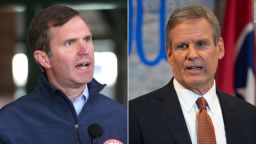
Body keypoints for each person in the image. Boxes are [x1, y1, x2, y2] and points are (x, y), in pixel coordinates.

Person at [129, 4, 256, 144]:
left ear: (220, 48)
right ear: (169, 54)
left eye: (201, 44)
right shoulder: (134, 116)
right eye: (182, 46)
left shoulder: (249, 116)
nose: (192, 55)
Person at [0, 5, 127, 144]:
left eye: (87, 39)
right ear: (44, 58)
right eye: (70, 43)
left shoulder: (122, 118)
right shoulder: (8, 123)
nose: (84, 50)